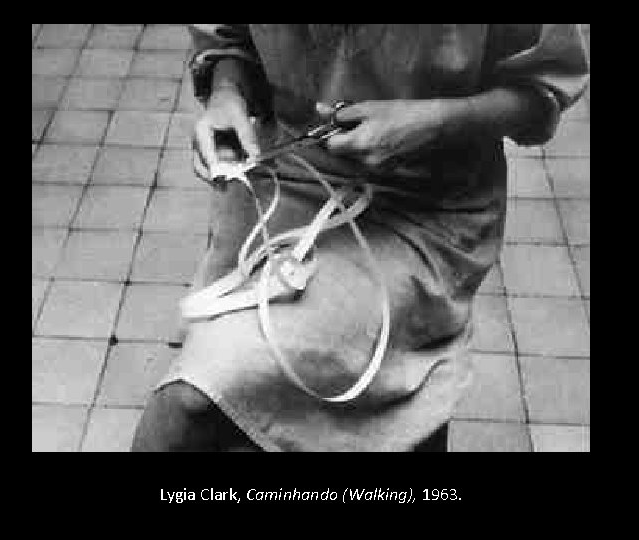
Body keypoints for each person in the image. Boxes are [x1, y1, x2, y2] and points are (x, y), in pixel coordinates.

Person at [131, 24, 589, 452]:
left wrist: (433, 122)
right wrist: (226, 93)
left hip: (424, 204)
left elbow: (540, 95)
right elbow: (230, 39)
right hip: (290, 175)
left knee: (190, 405)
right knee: (225, 406)